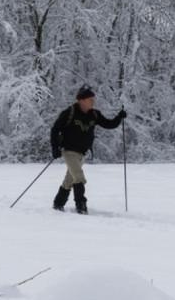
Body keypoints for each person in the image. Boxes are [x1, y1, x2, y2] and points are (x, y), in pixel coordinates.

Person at [50, 84, 126, 214]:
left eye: (93, 99)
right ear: (81, 101)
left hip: (82, 153)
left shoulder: (94, 114)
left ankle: (58, 204)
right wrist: (55, 148)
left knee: (70, 179)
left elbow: (109, 124)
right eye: (90, 99)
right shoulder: (70, 112)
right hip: (68, 151)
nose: (93, 101)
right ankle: (81, 205)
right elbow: (55, 130)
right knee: (79, 177)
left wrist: (119, 118)